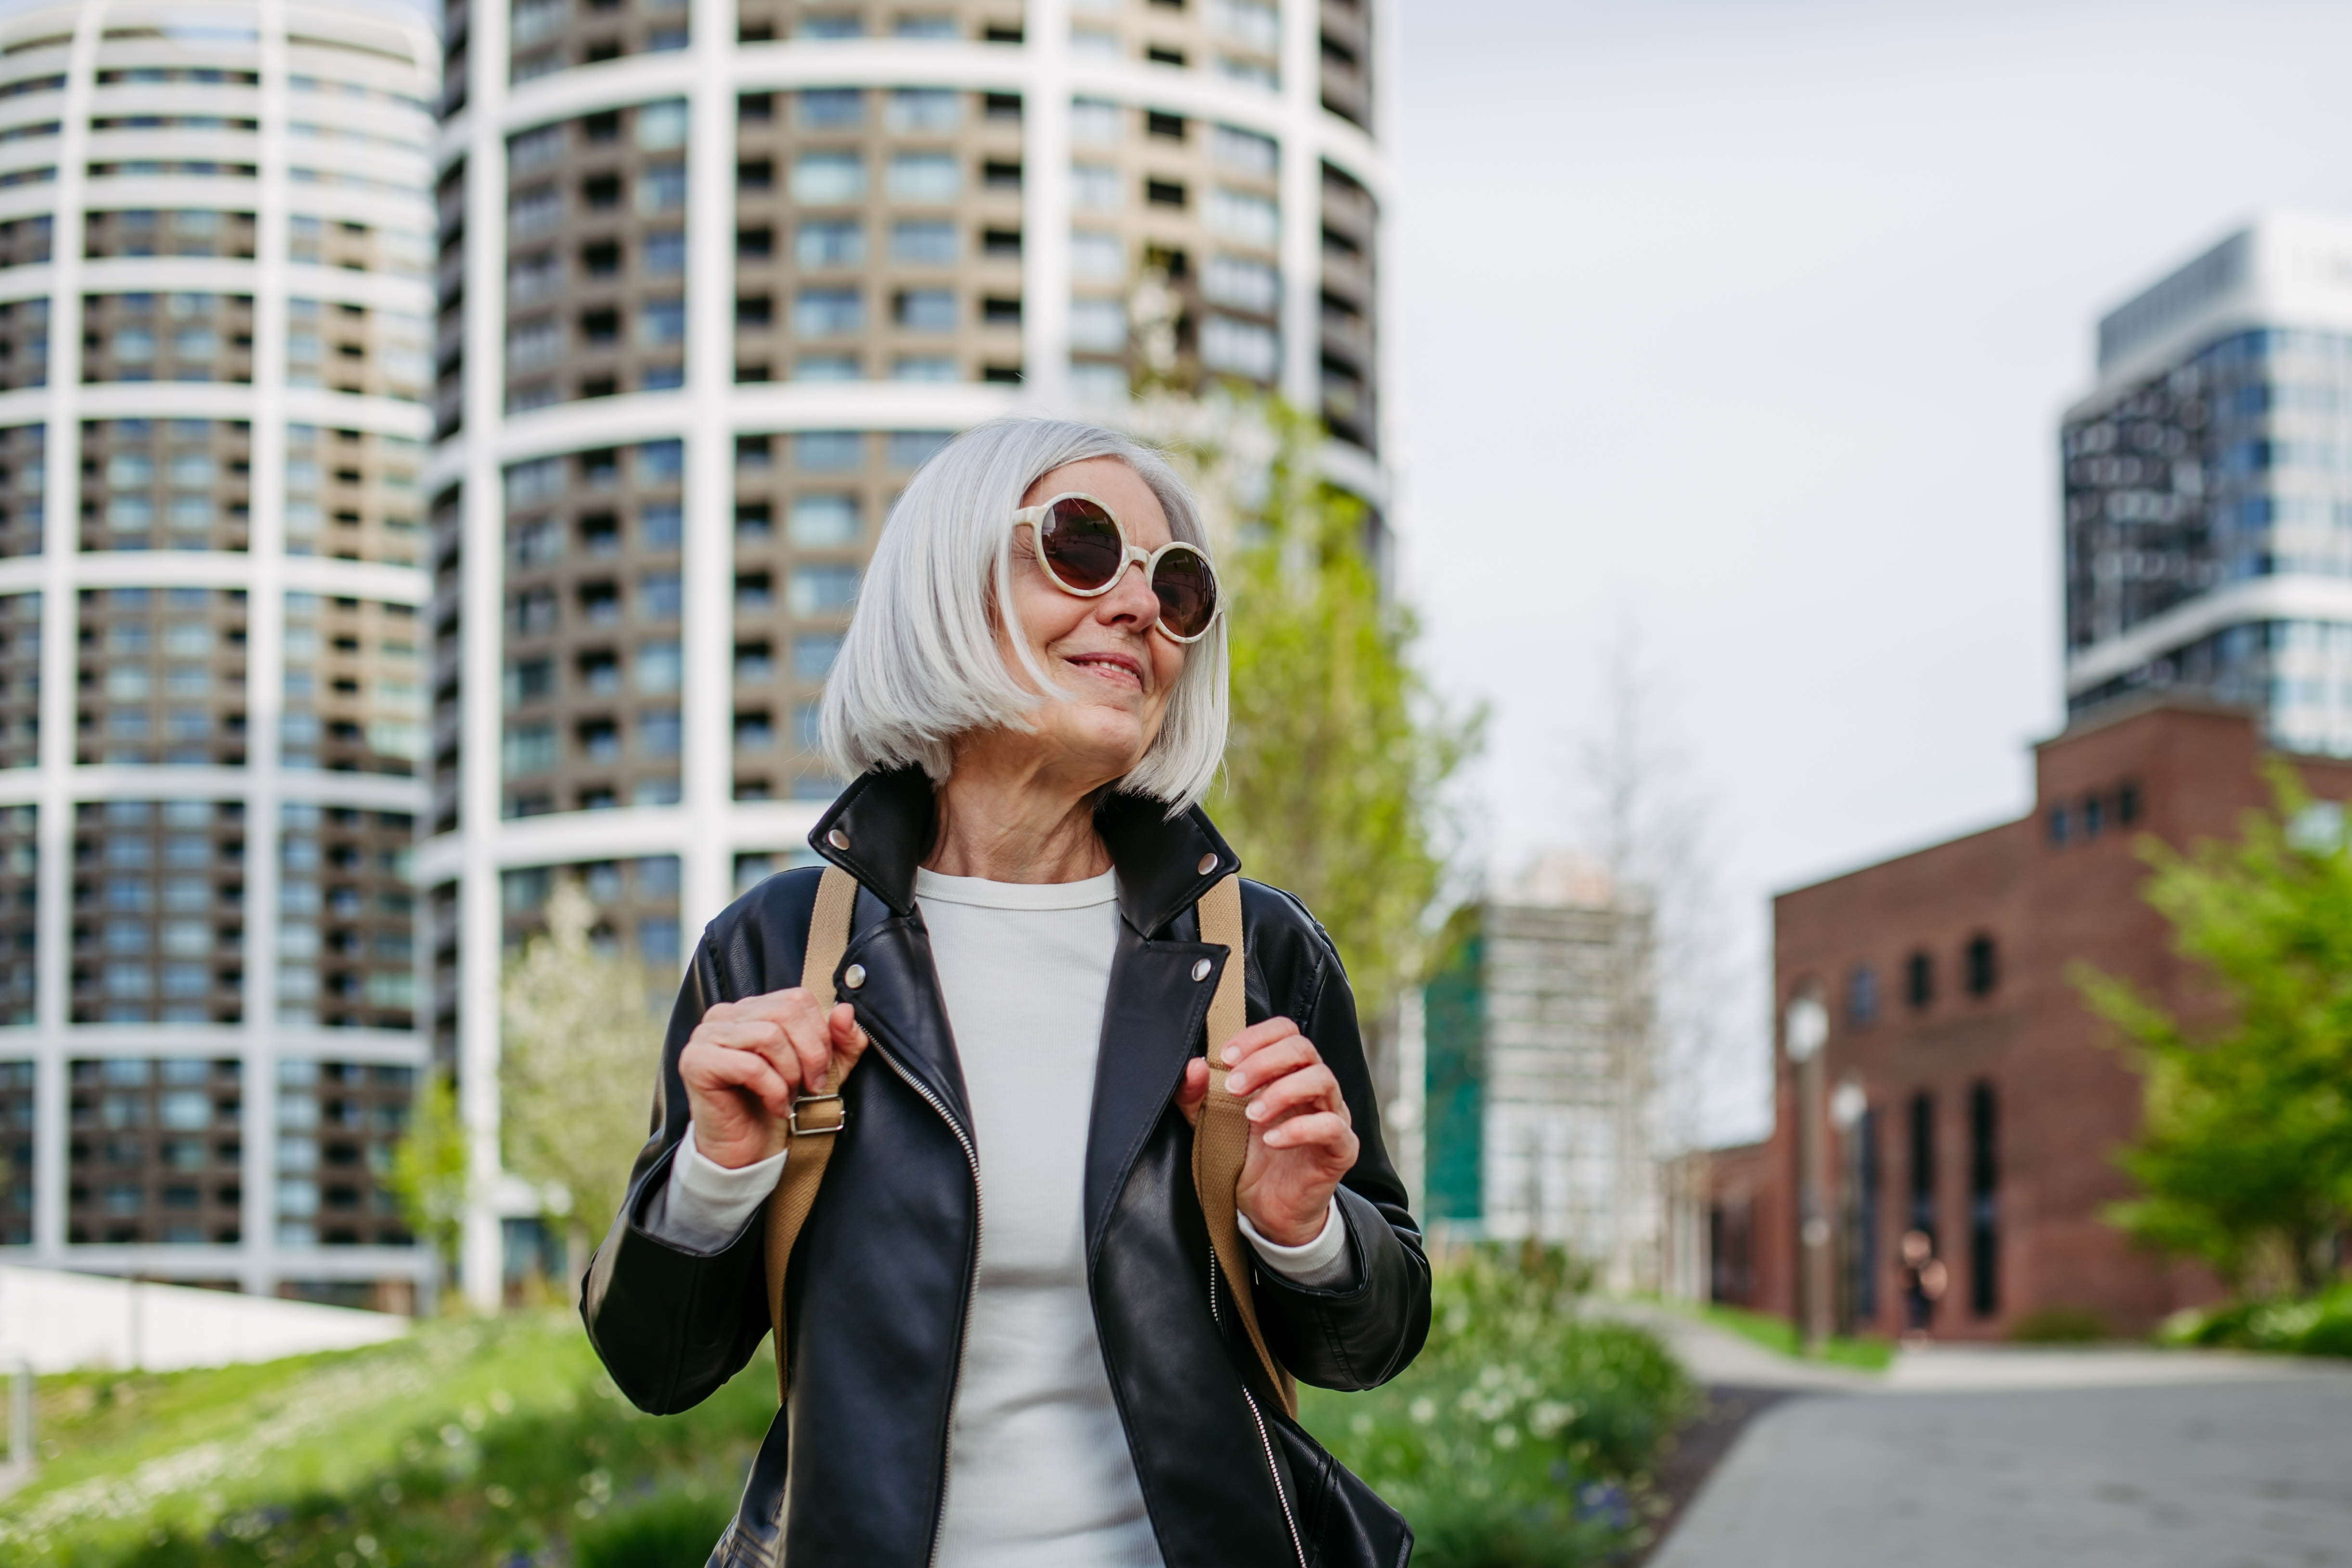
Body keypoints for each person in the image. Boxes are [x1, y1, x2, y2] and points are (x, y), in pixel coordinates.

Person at [582, 418, 1431, 1568]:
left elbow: (1368, 1347)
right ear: (945, 580)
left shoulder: (1256, 950)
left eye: (1177, 586)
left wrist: (1305, 1230)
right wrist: (716, 1174)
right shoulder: (774, 948)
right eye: (1082, 548)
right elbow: (655, 1367)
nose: (1140, 607)